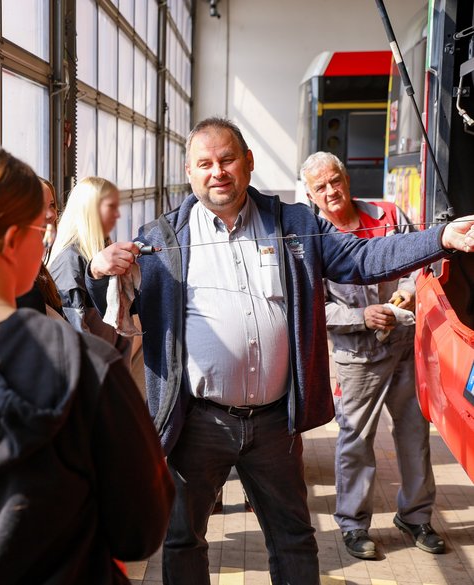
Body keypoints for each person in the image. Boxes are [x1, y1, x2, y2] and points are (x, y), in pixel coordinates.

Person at [85, 117, 474, 585]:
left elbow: (363, 257)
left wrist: (440, 238)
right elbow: (111, 303)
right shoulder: (162, 238)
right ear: (189, 172)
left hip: (274, 424)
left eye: (227, 159)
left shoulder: (293, 224)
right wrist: (96, 269)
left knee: (293, 538)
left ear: (248, 162)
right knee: (184, 539)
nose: (218, 172)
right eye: (204, 164)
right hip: (197, 424)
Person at [0, 146, 174, 585]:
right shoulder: (80, 364)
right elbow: (140, 529)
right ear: (10, 242)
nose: (46, 239)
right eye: (41, 228)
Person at [301, 151, 443, 559]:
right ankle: (353, 526)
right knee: (356, 441)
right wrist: (361, 315)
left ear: (346, 178)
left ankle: (416, 517)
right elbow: (315, 307)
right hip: (356, 355)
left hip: (403, 344)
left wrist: (411, 293)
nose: (331, 192)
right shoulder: (312, 239)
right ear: (310, 195)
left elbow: (421, 260)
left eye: (335, 181)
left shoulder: (388, 213)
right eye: (321, 187)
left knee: (415, 434)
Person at [48, 176, 130, 359]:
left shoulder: (98, 251)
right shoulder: (70, 260)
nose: (118, 215)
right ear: (91, 211)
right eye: (111, 207)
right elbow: (76, 331)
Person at [16, 177, 65, 317]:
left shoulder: (36, 268)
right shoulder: (20, 280)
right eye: (40, 207)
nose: (52, 215)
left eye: (52, 205)